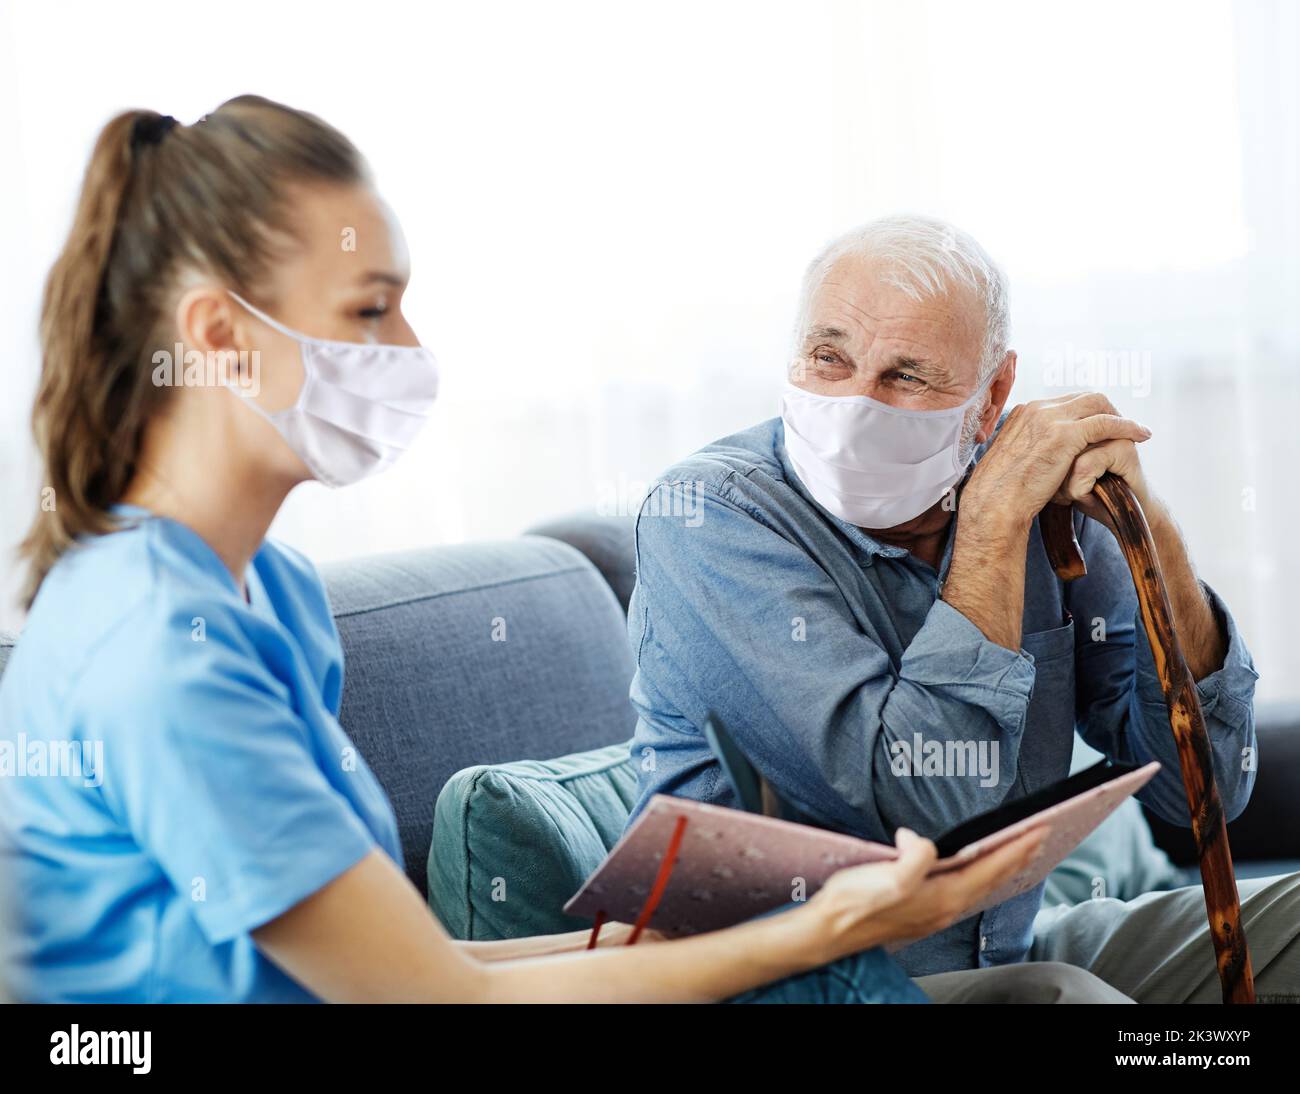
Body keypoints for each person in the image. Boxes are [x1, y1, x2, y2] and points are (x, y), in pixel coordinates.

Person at [0, 99, 1124, 1004]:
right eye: (370, 309)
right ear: (218, 337)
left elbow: (405, 973)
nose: (412, 350)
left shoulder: (269, 594)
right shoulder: (159, 649)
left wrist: (609, 955)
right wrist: (833, 923)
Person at [625, 214, 1300, 1003]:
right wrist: (989, 531)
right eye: (829, 358)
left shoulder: (1035, 493)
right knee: (1073, 1000)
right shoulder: (708, 516)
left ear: (993, 397)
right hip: (803, 984)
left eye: (906, 376)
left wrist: (1151, 521)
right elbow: (919, 809)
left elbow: (1204, 792)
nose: (853, 406)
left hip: (996, 956)